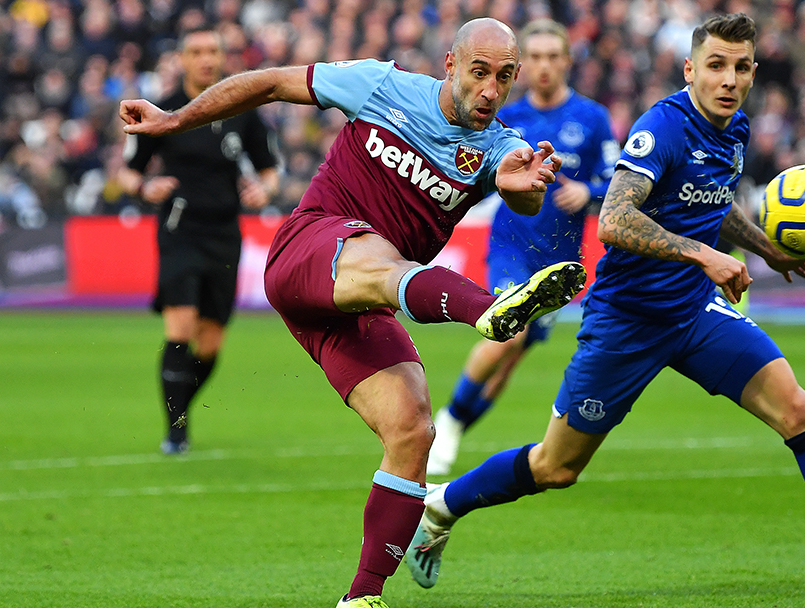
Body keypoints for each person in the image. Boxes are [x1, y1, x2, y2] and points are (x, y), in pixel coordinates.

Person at [405, 14, 805, 607]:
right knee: (556, 466)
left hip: (694, 313)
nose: (729, 79)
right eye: (716, 65)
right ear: (691, 69)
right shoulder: (662, 127)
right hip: (627, 322)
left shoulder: (733, 129)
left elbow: (714, 200)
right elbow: (613, 219)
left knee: (797, 409)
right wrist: (705, 255)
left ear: (754, 73)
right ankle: (441, 506)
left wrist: (768, 250)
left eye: (740, 68)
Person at [119, 18, 586, 608]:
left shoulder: (497, 145)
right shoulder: (381, 86)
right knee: (383, 258)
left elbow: (520, 186)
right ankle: (488, 310)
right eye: (479, 72)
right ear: (450, 64)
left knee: (413, 428)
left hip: (359, 298)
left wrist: (529, 185)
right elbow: (268, 84)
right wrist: (174, 118)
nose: (491, 89)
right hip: (309, 251)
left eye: (504, 77)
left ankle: (361, 597)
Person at [427, 19, 619, 476]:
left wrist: (588, 192)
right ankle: (449, 421)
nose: (544, 66)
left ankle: (457, 425)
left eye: (553, 56)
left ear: (567, 62)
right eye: (534, 57)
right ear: (522, 64)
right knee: (507, 332)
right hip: (511, 246)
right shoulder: (507, 116)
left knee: (512, 356)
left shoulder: (592, 118)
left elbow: (617, 179)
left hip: (560, 258)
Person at [117, 27, 280, 455]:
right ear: (183, 59)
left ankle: (180, 408)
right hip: (179, 228)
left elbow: (269, 168)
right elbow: (129, 171)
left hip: (226, 232)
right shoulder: (164, 109)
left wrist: (265, 189)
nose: (206, 58)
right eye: (197, 52)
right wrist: (143, 188)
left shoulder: (243, 108)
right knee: (181, 326)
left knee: (210, 343)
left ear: (223, 57)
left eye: (213, 51)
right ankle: (176, 431)